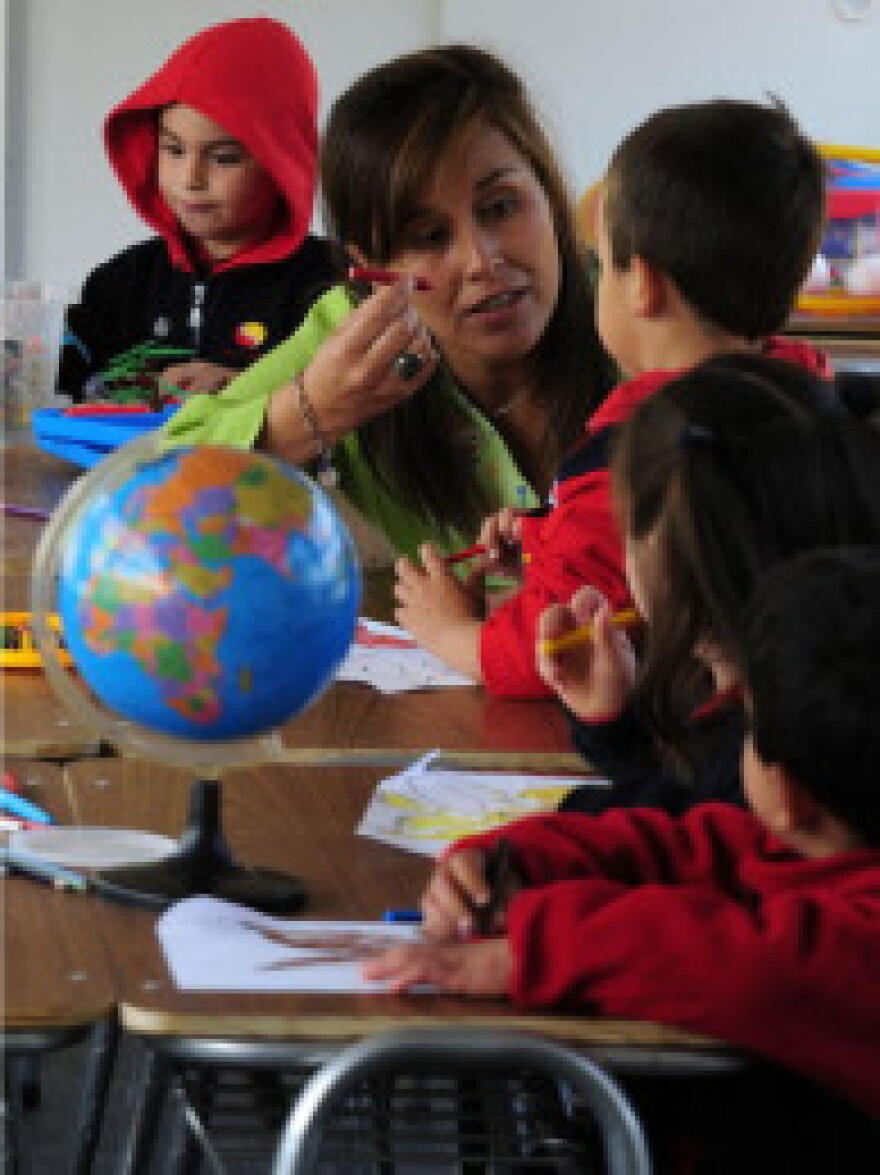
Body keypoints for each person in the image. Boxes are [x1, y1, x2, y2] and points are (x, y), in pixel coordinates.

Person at [363, 542, 880, 1124]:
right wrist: (508, 862)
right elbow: (680, 844)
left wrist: (533, 949)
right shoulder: (790, 844)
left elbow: (738, 963)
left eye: (748, 722)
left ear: (787, 793)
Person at [393, 97, 830, 696]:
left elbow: (554, 648)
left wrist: (449, 631)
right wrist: (548, 545)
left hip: (698, 751)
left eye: (604, 264)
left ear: (642, 285)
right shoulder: (810, 403)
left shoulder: (641, 456)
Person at [162, 45, 613, 562]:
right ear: (371, 269)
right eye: (428, 236)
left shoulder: (638, 304)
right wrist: (314, 411)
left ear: (550, 197)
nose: (480, 262)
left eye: (501, 207)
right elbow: (162, 486)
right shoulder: (353, 339)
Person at [541, 354, 880, 816]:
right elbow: (679, 790)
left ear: (667, 562)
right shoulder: (815, 693)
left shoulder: (769, 760)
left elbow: (688, 832)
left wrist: (533, 847)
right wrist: (612, 718)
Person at [58, 17, 334, 401]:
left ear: (281, 161)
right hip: (131, 463)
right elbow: (56, 380)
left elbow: (356, 411)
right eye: (173, 149)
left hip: (266, 463)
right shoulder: (121, 282)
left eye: (223, 158)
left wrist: (243, 389)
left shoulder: (328, 286)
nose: (190, 178)